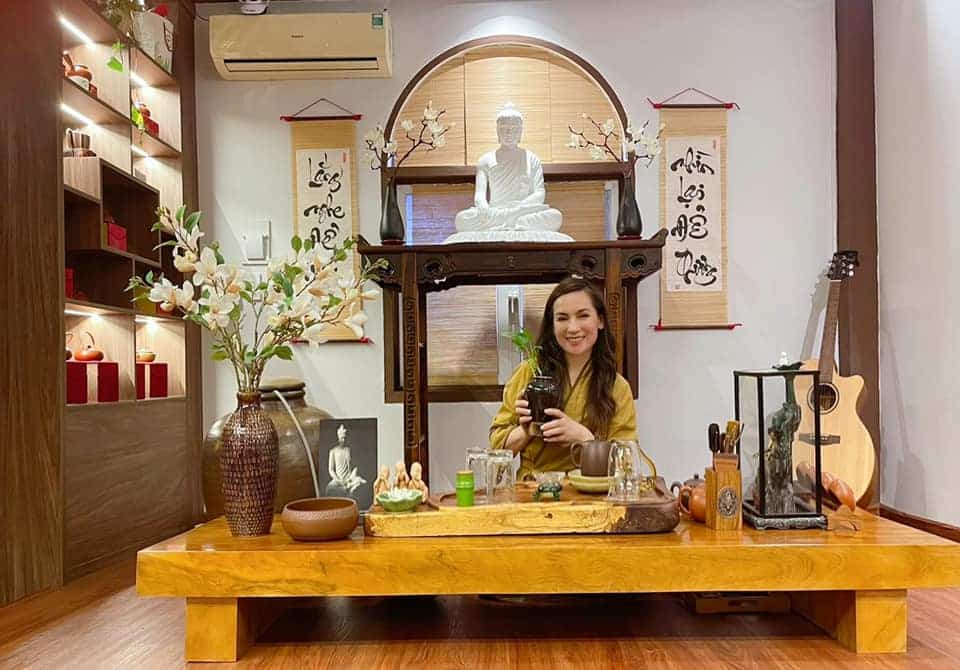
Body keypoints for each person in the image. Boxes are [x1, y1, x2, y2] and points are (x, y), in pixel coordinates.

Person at [489, 277, 637, 480]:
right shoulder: (530, 372)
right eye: (562, 318)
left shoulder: (617, 386)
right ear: (552, 324)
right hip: (532, 490)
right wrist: (527, 429)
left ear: (600, 320)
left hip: (590, 492)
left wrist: (584, 438)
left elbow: (626, 465)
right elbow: (496, 450)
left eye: (583, 315)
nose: (573, 328)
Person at [445, 102, 570, 243]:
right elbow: (479, 196)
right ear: (497, 131)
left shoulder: (531, 158)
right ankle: (513, 223)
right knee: (462, 219)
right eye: (504, 129)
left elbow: (539, 193)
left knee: (555, 216)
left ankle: (512, 222)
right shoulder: (486, 159)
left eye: (514, 129)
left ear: (520, 132)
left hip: (521, 210)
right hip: (495, 212)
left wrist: (518, 207)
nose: (509, 134)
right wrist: (485, 209)